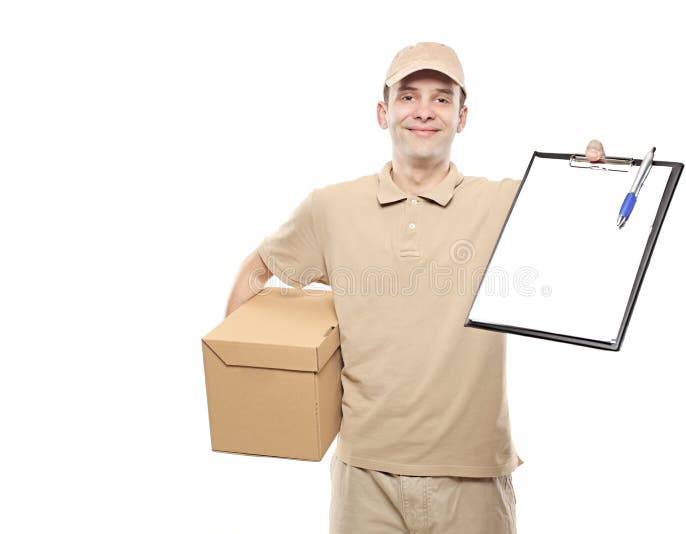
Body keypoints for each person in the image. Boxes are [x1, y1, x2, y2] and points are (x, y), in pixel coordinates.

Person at [225, 42, 607, 534]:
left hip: (473, 476)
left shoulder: (506, 202)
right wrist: (247, 387)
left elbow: (593, 227)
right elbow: (254, 273)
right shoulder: (330, 207)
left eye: (442, 98)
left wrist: (592, 177)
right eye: (408, 97)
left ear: (462, 117)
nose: (424, 110)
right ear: (383, 112)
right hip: (365, 476)